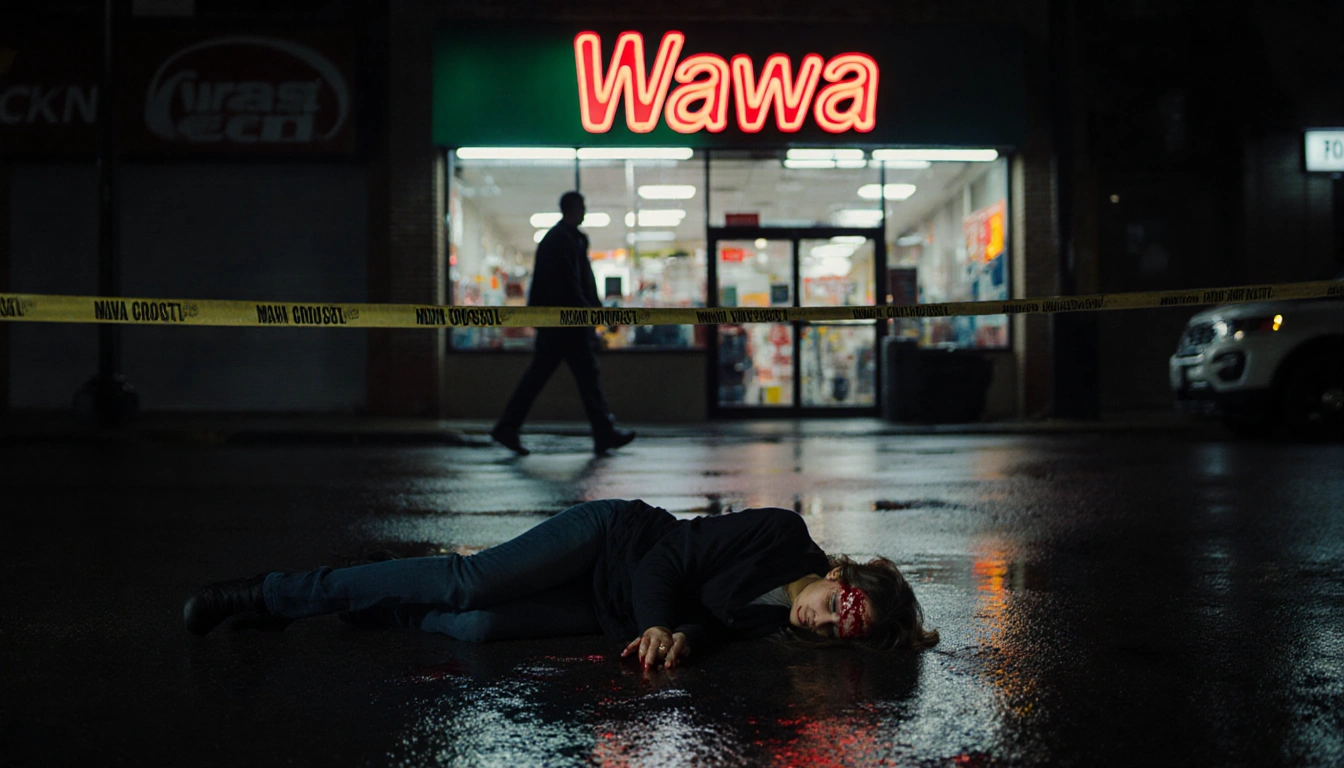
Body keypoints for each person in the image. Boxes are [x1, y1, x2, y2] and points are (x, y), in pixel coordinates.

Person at [183, 499, 940, 667]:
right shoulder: (781, 531)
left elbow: (705, 625)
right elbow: (666, 561)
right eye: (842, 606)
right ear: (846, 573)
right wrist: (659, 620)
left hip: (605, 609)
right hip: (611, 540)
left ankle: (372, 608)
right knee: (469, 584)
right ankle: (267, 594)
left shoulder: (775, 628)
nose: (822, 622)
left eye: (844, 633)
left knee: (474, 628)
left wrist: (680, 638)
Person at [490, 191, 635, 456]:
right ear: (573, 209)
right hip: (565, 324)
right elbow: (571, 283)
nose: (585, 211)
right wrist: (590, 314)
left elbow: (578, 281)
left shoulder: (566, 239)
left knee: (551, 376)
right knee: (580, 377)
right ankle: (602, 433)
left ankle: (508, 427)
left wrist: (592, 312)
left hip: (561, 323)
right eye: (583, 207)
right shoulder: (563, 240)